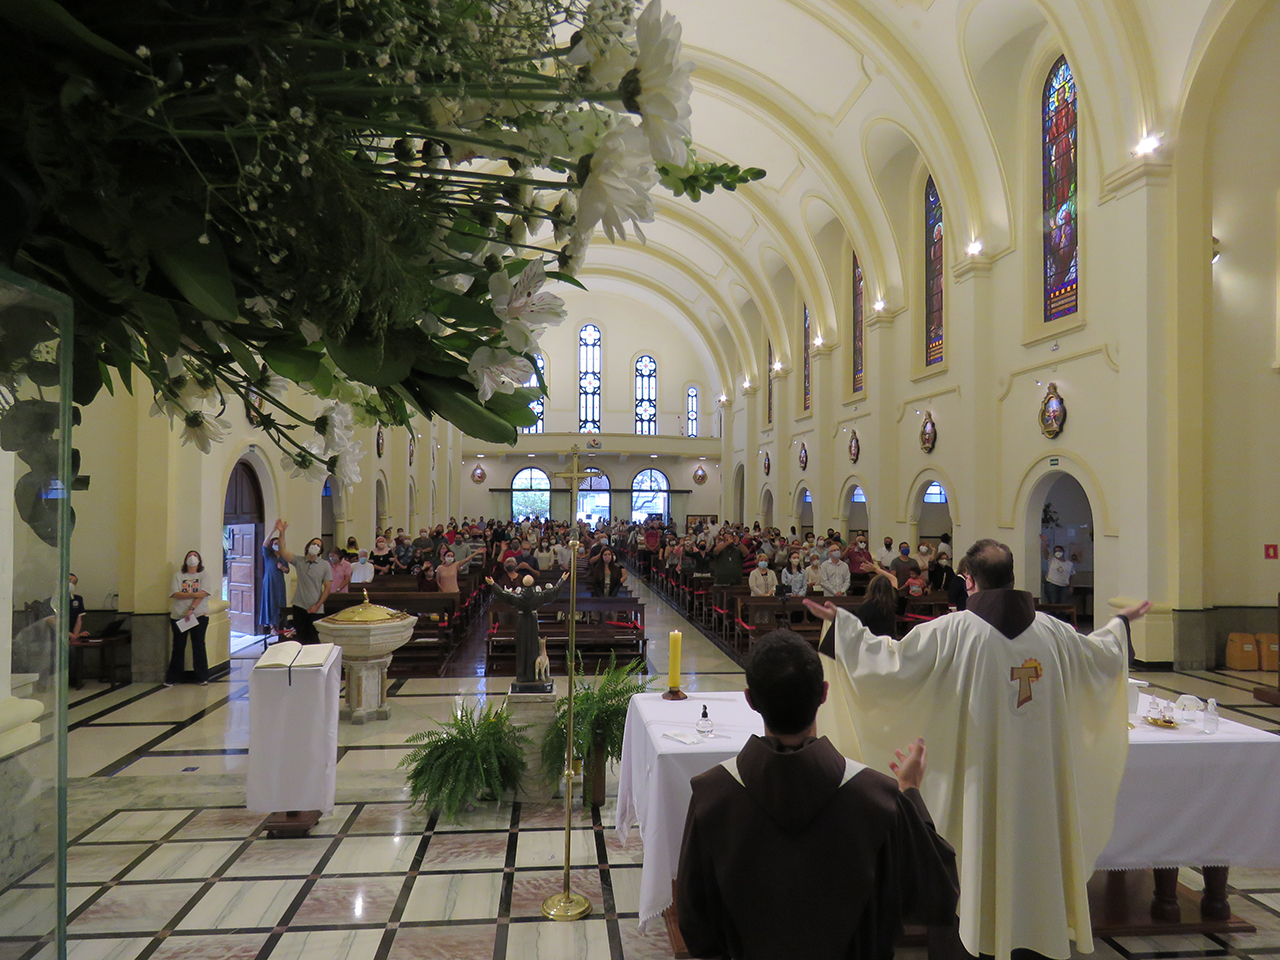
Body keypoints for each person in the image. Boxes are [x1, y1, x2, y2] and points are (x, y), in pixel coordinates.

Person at [806, 539, 1151, 960]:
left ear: (969, 581)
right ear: (1011, 578)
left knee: (970, 867)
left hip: (976, 792)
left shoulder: (948, 633)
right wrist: (1119, 625)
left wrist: (842, 626)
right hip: (1038, 796)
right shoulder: (1056, 634)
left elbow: (888, 664)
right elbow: (1100, 654)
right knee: (1034, 870)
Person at [676, 630, 959, 960]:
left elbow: (694, 925)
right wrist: (909, 792)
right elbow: (937, 895)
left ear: (750, 699)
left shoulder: (712, 796)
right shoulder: (878, 798)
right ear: (824, 694)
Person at [486, 571, 568, 688]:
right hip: (533, 621)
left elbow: (504, 595)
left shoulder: (517, 597)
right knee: (534, 646)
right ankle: (533, 675)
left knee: (521, 647)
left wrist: (493, 583)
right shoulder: (538, 596)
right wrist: (562, 580)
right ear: (533, 583)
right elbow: (553, 593)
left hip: (521, 622)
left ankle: (522, 675)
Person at [275, 522, 332, 644]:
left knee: (314, 639)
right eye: (313, 544)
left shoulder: (325, 565)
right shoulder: (299, 561)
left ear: (320, 550)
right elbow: (283, 550)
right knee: (301, 638)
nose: (315, 546)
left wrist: (317, 605)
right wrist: (282, 532)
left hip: (316, 608)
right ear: (308, 546)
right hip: (299, 605)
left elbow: (327, 588)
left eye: (318, 545)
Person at [166, 550, 211, 686]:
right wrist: (193, 594)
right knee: (178, 646)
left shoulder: (204, 575)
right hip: (178, 615)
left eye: (195, 556)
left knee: (198, 645)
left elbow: (203, 594)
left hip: (198, 615)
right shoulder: (178, 576)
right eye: (190, 556)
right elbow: (175, 594)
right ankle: (173, 677)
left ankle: (202, 676)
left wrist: (191, 609)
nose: (192, 558)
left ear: (199, 560)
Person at [259, 524, 289, 635]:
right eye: (275, 544)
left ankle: (280, 625)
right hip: (270, 582)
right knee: (270, 602)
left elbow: (287, 571)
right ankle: (272, 627)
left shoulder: (283, 556)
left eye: (278, 544)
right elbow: (264, 544)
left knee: (280, 603)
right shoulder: (268, 555)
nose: (277, 545)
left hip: (280, 583)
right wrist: (273, 530)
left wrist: (282, 532)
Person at [1041, 535, 1075, 606]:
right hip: (1052, 585)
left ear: (1063, 552)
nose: (1058, 552)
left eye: (1059, 551)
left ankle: (1060, 616)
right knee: (1053, 604)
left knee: (1062, 605)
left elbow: (1071, 576)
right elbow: (1045, 552)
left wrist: (1071, 587)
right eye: (1056, 551)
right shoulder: (1052, 560)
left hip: (1064, 586)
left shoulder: (1069, 564)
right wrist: (1044, 541)